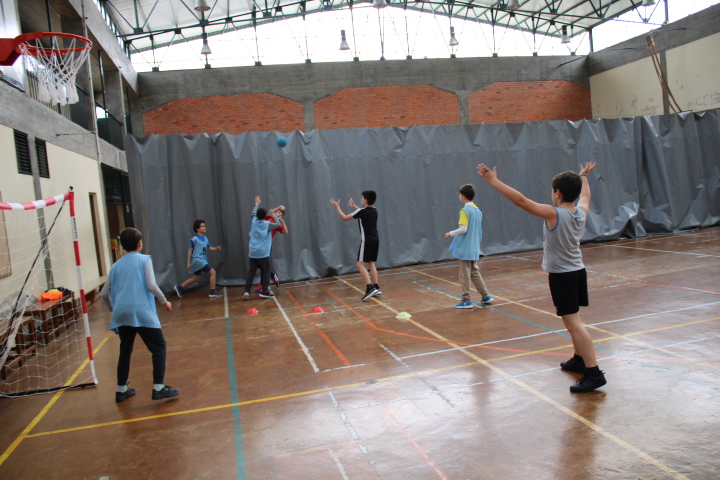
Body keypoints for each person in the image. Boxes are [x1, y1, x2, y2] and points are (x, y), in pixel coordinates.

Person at [477, 161, 606, 393]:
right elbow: (586, 196)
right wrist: (584, 176)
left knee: (574, 324)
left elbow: (521, 201)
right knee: (573, 320)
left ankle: (594, 373)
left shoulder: (554, 213)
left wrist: (494, 182)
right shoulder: (581, 211)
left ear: (557, 193)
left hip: (563, 276)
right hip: (578, 272)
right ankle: (579, 359)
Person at [101, 227, 180, 402]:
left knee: (125, 349)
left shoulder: (115, 266)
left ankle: (121, 389)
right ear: (139, 243)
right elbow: (151, 285)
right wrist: (164, 301)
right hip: (142, 311)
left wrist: (114, 309)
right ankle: (158, 387)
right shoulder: (145, 260)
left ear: (122, 246)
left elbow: (104, 293)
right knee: (159, 347)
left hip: (122, 313)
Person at [444, 184, 493, 308]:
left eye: (460, 195)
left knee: (464, 274)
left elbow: (463, 229)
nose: (459, 197)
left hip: (466, 247)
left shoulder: (465, 211)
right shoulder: (478, 211)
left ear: (464, 196)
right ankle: (485, 295)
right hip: (474, 247)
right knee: (474, 272)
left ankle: (466, 300)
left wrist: (450, 233)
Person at [331, 190, 381, 301]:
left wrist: (337, 207)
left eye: (362, 198)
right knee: (371, 263)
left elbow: (344, 217)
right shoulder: (374, 210)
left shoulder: (362, 212)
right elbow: (363, 213)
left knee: (359, 265)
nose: (361, 199)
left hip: (367, 241)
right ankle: (376, 287)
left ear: (365, 200)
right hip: (376, 239)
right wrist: (355, 207)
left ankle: (369, 288)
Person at [243, 196, 285, 300]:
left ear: (257, 215)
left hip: (252, 252)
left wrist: (256, 204)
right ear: (265, 216)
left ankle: (247, 291)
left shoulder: (254, 221)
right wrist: (273, 215)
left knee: (251, 272)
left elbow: (253, 213)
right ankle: (264, 291)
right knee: (266, 271)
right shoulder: (267, 224)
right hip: (262, 253)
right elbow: (277, 224)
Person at [174, 219, 223, 299]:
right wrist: (188, 263)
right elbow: (190, 251)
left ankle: (179, 287)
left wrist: (216, 248)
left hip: (202, 260)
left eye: (204, 226)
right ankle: (212, 291)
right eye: (202, 226)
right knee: (213, 272)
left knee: (195, 278)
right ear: (197, 229)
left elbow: (210, 248)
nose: (204, 227)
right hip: (198, 260)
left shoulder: (206, 238)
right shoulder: (194, 239)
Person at [256, 206, 288, 293]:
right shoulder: (267, 217)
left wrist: (283, 222)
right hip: (257, 245)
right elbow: (270, 212)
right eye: (279, 213)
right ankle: (272, 275)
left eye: (281, 215)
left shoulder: (277, 224)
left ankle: (261, 286)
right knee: (257, 264)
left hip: (267, 246)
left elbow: (285, 232)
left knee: (263, 266)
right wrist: (278, 208)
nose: (280, 215)